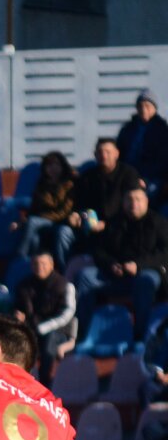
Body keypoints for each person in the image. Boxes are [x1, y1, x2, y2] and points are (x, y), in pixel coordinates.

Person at [76, 185, 168, 340]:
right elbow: (99, 251)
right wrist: (111, 264)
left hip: (146, 272)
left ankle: (140, 336)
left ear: (146, 201)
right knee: (85, 277)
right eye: (129, 199)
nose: (134, 203)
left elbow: (164, 253)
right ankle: (81, 334)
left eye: (138, 199)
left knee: (146, 281)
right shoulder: (114, 223)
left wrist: (138, 265)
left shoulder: (160, 223)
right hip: (115, 274)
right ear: (123, 202)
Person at [13, 250, 77, 384]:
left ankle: (46, 385)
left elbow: (67, 314)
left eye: (43, 264)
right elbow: (18, 309)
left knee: (48, 346)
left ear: (51, 264)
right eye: (36, 264)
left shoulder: (65, 285)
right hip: (32, 330)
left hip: (58, 331)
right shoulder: (25, 286)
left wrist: (42, 327)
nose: (39, 267)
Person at [68, 137, 141, 252]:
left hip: (120, 224)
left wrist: (106, 223)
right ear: (95, 155)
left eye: (108, 152)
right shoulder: (88, 177)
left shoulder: (128, 174)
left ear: (116, 154)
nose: (104, 156)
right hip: (90, 224)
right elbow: (80, 203)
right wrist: (77, 215)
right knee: (64, 232)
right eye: (100, 152)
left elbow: (133, 206)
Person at [16, 151, 75, 267]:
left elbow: (65, 211)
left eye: (56, 165)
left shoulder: (70, 184)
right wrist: (21, 222)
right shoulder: (42, 185)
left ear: (63, 166)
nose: (53, 168)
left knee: (33, 221)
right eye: (49, 165)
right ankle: (31, 267)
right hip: (43, 224)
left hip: (63, 222)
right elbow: (33, 208)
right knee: (35, 239)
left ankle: (19, 257)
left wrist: (40, 217)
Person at [116, 89, 168, 198]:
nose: (144, 110)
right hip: (127, 173)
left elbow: (162, 161)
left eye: (147, 106)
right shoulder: (128, 129)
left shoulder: (162, 131)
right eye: (140, 106)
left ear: (154, 108)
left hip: (152, 177)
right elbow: (119, 152)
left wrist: (144, 178)